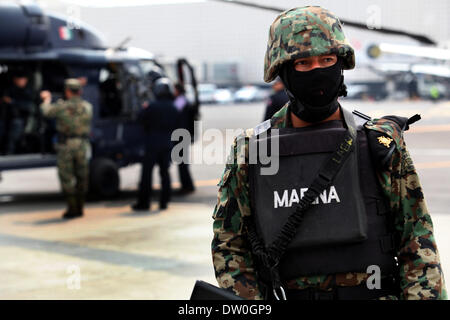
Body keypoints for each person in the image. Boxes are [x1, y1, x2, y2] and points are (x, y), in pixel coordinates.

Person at [211, 6, 447, 300]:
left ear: (341, 63)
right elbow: (230, 246)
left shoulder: (378, 142)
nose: (317, 72)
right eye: (304, 64)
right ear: (283, 70)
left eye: (327, 60)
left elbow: (417, 243)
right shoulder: (253, 151)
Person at [40, 78, 92, 219]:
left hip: (66, 145)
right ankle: (80, 207)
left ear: (68, 92)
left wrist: (46, 99)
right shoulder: (87, 107)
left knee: (66, 178)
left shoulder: (62, 107)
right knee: (82, 177)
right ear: (80, 91)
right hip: (82, 144)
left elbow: (46, 112)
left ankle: (72, 208)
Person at [132, 77, 179, 211]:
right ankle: (164, 202)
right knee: (165, 173)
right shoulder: (174, 107)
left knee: (147, 174)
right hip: (167, 144)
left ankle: (144, 203)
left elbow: (140, 119)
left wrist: (144, 108)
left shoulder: (151, 106)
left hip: (152, 143)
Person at [2, 69, 36, 154]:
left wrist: (12, 102)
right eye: (19, 79)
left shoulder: (29, 91)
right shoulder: (10, 89)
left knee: (14, 132)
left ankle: (10, 153)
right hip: (7, 117)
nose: (21, 81)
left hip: (23, 118)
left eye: (22, 79)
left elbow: (29, 106)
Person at [174, 82, 195, 195]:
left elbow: (173, 112)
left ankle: (187, 186)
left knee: (182, 162)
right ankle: (188, 185)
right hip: (183, 134)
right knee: (182, 161)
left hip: (181, 134)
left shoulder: (180, 101)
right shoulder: (183, 100)